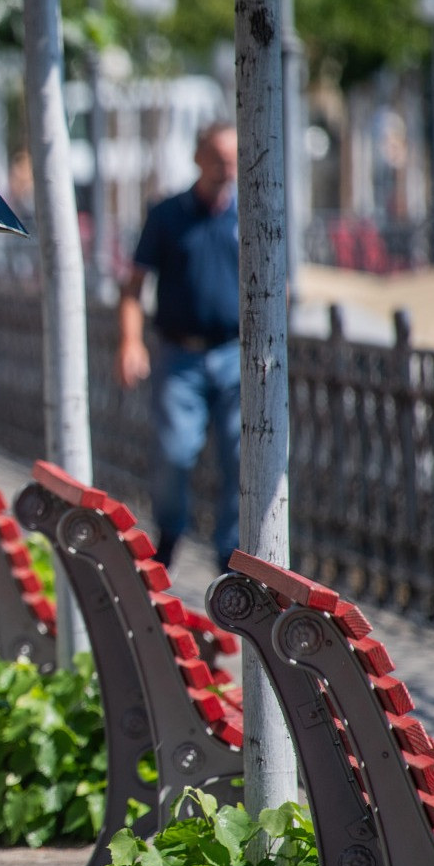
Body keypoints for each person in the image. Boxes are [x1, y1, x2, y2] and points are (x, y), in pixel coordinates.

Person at [116, 121, 240, 569]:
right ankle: (170, 532)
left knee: (241, 455)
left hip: (234, 354)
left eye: (233, 158)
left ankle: (232, 554)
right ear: (198, 158)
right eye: (218, 157)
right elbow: (133, 285)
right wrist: (131, 342)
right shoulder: (167, 214)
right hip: (180, 354)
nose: (227, 167)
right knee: (174, 452)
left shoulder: (251, 215)